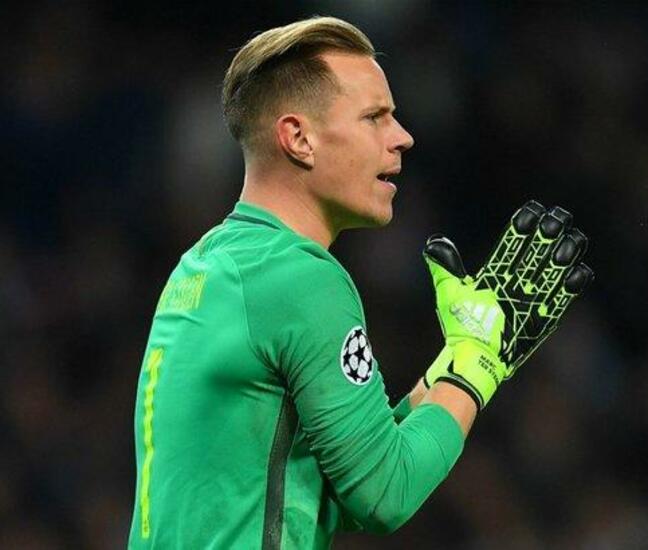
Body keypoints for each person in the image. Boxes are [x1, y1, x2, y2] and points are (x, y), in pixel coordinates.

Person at [128, 15, 591, 549]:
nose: (403, 137)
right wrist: (477, 368)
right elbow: (383, 494)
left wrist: (447, 367)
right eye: (375, 117)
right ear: (298, 138)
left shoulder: (201, 266)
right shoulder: (301, 278)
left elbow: (320, 487)